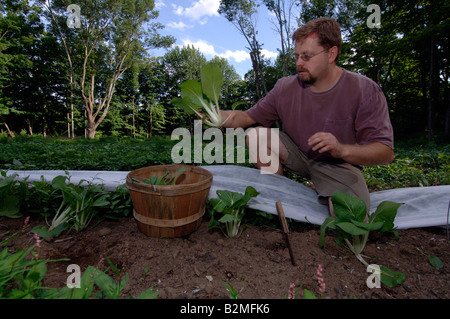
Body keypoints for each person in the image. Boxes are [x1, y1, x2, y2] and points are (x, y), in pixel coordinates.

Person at [220, 17, 394, 216]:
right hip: (300, 155)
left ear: (331, 54)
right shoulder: (285, 87)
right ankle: (279, 197)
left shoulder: (364, 90)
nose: (299, 63)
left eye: (307, 56)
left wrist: (341, 149)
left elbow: (385, 152)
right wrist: (218, 117)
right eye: (296, 56)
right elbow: (245, 117)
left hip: (338, 166)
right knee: (256, 135)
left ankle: (332, 195)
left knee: (351, 221)